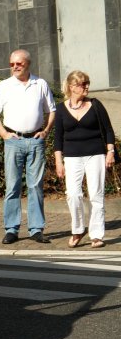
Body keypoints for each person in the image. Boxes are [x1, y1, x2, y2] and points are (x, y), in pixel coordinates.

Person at [0, 49, 56, 244]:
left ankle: (36, 229)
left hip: (35, 140)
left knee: (36, 187)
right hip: (13, 142)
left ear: (28, 64)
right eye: (12, 64)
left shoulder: (40, 84)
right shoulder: (4, 86)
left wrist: (46, 131)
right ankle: (11, 229)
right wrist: (4, 134)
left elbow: (52, 110)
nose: (15, 67)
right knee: (12, 186)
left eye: (19, 63)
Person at [53, 71, 115, 249]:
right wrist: (59, 161)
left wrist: (110, 151)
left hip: (95, 154)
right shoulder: (61, 109)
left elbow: (108, 130)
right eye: (82, 84)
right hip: (72, 157)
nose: (86, 86)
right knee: (73, 195)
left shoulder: (95, 105)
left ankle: (96, 235)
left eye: (87, 83)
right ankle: (78, 229)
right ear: (72, 87)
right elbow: (58, 138)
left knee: (96, 194)